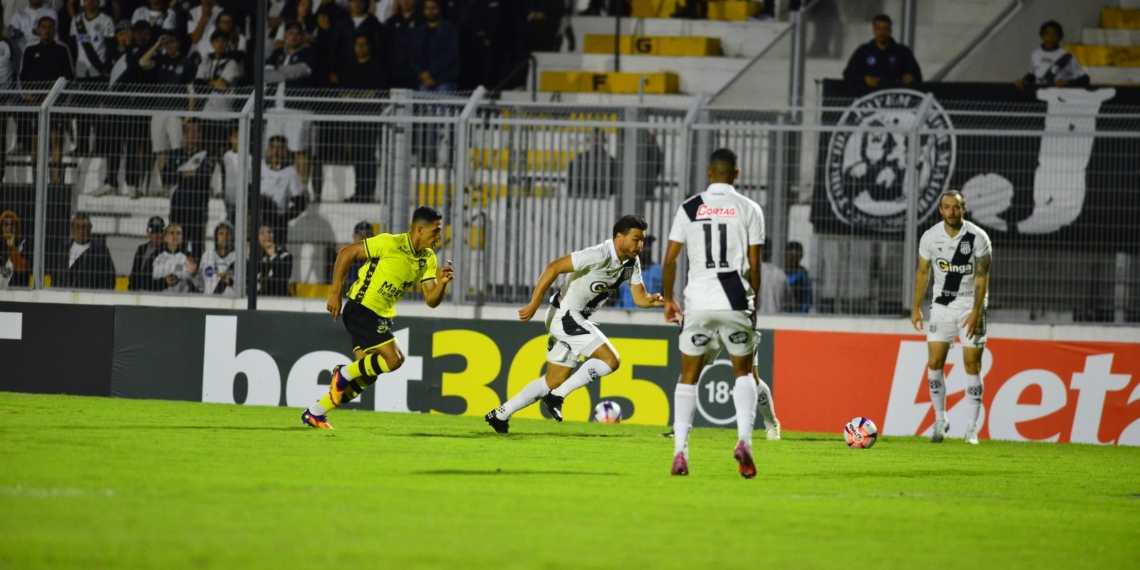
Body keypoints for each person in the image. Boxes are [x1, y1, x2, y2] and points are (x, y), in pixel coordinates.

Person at [485, 215, 664, 433]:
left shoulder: (631, 263)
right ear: (619, 237)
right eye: (636, 239)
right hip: (566, 316)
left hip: (572, 318)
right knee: (611, 360)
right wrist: (534, 303)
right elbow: (553, 267)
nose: (641, 245)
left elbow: (639, 298)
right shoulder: (598, 254)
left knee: (553, 379)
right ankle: (557, 397)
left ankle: (500, 414)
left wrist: (653, 301)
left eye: (642, 240)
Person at [301, 206, 455, 429]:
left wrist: (441, 284)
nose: (439, 237)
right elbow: (347, 252)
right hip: (361, 309)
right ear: (420, 230)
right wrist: (335, 293)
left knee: (367, 375)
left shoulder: (427, 259)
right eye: (436, 231)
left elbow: (431, 300)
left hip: (381, 317)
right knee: (395, 359)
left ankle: (316, 412)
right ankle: (342, 372)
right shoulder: (390, 243)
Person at [662, 148, 765, 478]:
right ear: (737, 173)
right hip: (735, 298)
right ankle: (744, 441)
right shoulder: (749, 208)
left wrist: (668, 299)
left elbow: (670, 260)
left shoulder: (689, 207)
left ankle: (680, 451)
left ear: (709, 173)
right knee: (744, 374)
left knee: (688, 377)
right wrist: (754, 303)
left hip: (698, 302)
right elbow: (755, 264)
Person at [910, 189, 992, 445]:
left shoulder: (978, 238)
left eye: (956, 207)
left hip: (970, 305)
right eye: (947, 207)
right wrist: (915, 307)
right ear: (941, 210)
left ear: (963, 209)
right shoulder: (930, 237)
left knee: (971, 365)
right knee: (934, 362)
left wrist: (977, 312)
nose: (951, 212)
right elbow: (923, 272)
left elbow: (982, 276)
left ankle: (971, 427)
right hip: (942, 306)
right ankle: (940, 419)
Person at [19, 16, 74, 185]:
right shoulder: (30, 50)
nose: (47, 30)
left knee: (55, 140)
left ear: (55, 29)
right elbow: (22, 76)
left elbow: (69, 76)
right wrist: (26, 95)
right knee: (36, 143)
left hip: (55, 103)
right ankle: (37, 181)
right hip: (36, 103)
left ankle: (55, 181)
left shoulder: (61, 50)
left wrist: (64, 99)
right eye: (44, 27)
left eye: (50, 27)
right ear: (39, 29)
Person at [265, 22, 317, 187]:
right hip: (275, 108)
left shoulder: (309, 53)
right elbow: (267, 75)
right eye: (290, 33)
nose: (293, 36)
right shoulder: (277, 53)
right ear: (285, 35)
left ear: (302, 37)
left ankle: (301, 189)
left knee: (299, 149)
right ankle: (273, 184)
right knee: (274, 149)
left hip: (298, 109)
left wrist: (279, 70)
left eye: (297, 33)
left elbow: (301, 71)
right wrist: (288, 72)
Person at [339, 34, 387, 202]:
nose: (360, 48)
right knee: (356, 156)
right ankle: (359, 191)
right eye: (357, 45)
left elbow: (376, 94)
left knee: (367, 155)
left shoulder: (376, 68)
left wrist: (355, 97)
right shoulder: (349, 68)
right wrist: (360, 96)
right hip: (352, 118)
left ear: (369, 47)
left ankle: (368, 193)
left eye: (363, 45)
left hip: (369, 118)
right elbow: (343, 94)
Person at [141, 33, 195, 184]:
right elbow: (143, 62)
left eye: (172, 42)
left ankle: (178, 183)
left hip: (177, 112)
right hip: (158, 111)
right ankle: (164, 183)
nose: (169, 45)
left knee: (177, 149)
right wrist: (157, 44)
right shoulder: (160, 60)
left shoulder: (186, 63)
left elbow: (191, 89)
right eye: (167, 43)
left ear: (178, 43)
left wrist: (189, 113)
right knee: (160, 150)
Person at [164, 120, 211, 258]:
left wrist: (178, 174)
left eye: (197, 132)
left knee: (197, 248)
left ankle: (197, 277)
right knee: (177, 247)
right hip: (177, 208)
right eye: (190, 131)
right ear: (184, 135)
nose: (194, 135)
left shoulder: (206, 155)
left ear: (201, 135)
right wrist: (189, 173)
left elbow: (203, 179)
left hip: (198, 209)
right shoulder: (174, 154)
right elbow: (166, 178)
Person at [194, 29, 243, 158]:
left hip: (223, 112)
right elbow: (197, 83)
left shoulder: (232, 62)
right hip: (205, 111)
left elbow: (223, 85)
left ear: (228, 44)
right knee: (206, 148)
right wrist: (212, 83)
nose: (220, 44)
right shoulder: (206, 60)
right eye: (217, 41)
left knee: (222, 148)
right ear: (212, 43)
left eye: (223, 41)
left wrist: (206, 82)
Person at [841, 14, 921, 88]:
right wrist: (864, 78)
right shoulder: (864, 51)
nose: (882, 32)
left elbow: (917, 75)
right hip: (869, 97)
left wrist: (910, 77)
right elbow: (848, 73)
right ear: (873, 30)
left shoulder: (902, 51)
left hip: (894, 97)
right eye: (878, 28)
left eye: (885, 28)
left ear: (890, 30)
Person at [260, 135, 309, 244]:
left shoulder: (291, 172)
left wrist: (285, 217)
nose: (276, 152)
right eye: (273, 147)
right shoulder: (260, 167)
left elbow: (302, 201)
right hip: (258, 219)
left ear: (285, 151)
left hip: (277, 221)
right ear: (268, 150)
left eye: (280, 148)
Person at [1015, 21, 1090, 90]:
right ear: (1041, 37)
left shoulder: (1067, 56)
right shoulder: (1036, 53)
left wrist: (1067, 83)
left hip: (1058, 98)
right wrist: (1023, 81)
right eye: (1047, 34)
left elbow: (1084, 79)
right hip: (1040, 96)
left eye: (1055, 34)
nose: (1051, 38)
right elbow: (1031, 75)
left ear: (1060, 37)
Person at [55, 212, 117, 290]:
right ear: (72, 229)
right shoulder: (64, 248)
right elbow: (56, 275)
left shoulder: (100, 250)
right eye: (77, 227)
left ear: (90, 228)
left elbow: (110, 278)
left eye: (84, 227)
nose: (81, 231)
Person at [411, 0, 458, 93]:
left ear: (439, 9)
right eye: (427, 8)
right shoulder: (418, 32)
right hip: (423, 83)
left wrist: (429, 72)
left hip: (444, 83)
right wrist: (422, 75)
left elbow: (451, 55)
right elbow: (412, 56)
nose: (430, 11)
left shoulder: (448, 29)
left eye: (433, 8)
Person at [566, 129, 618, 198]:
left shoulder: (612, 162)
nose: (596, 142)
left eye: (598, 139)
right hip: (581, 199)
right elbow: (571, 183)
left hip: (603, 200)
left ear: (604, 141)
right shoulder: (579, 160)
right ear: (589, 141)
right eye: (594, 139)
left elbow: (614, 187)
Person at [152, 222, 203, 293]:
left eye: (178, 233)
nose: (175, 236)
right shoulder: (155, 255)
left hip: (182, 301)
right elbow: (144, 282)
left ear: (182, 237)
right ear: (165, 238)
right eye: (172, 233)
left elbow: (201, 288)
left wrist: (193, 274)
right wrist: (164, 282)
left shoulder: (189, 258)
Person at [613, 235, 661, 308]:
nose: (647, 249)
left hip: (652, 315)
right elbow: (613, 297)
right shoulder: (622, 269)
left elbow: (665, 296)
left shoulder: (658, 271)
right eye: (643, 246)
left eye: (649, 246)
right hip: (625, 315)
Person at [386, 0, 422, 90]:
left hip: (415, 73)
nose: (405, 2)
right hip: (395, 72)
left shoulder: (422, 20)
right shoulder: (392, 22)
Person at [128, 215, 167, 291]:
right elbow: (134, 274)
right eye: (154, 232)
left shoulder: (169, 251)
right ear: (148, 233)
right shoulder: (141, 250)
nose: (157, 235)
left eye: (159, 231)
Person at [199, 220, 236, 296]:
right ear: (216, 236)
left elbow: (245, 287)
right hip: (209, 302)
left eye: (228, 234)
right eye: (221, 234)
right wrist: (193, 275)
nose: (224, 237)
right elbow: (200, 286)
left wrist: (231, 282)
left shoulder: (238, 258)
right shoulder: (206, 256)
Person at [256, 224, 293, 297]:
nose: (266, 236)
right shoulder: (254, 256)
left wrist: (273, 256)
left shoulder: (284, 254)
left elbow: (283, 277)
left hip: (278, 299)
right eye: (262, 233)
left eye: (269, 232)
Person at [341, 220, 373, 291]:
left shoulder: (374, 254)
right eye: (361, 236)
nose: (363, 239)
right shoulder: (347, 251)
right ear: (354, 236)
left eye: (367, 235)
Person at [759, 242, 790, 314]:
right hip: (775, 318)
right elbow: (788, 300)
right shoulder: (779, 273)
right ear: (770, 253)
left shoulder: (748, 272)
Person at [0, 210, 29, 288]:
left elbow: (22, 269)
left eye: (13, 224)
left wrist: (11, 246)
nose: (9, 227)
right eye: (6, 224)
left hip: (15, 293)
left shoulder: (23, 245)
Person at [784, 240, 811, 313]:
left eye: (795, 256)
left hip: (797, 316)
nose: (792, 259)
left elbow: (806, 300)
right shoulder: (781, 274)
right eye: (790, 256)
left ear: (800, 257)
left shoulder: (802, 276)